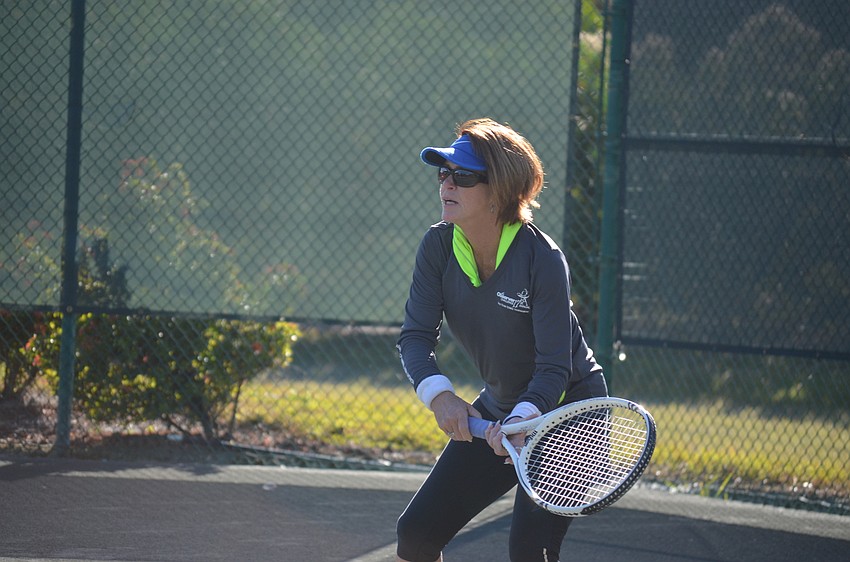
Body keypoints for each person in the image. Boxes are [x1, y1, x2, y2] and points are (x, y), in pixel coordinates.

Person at [395, 118, 608, 562]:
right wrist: (442, 398)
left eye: (464, 176)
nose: (447, 184)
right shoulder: (437, 246)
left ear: (500, 191)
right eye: (443, 173)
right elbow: (415, 337)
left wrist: (525, 420)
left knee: (529, 551)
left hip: (571, 414)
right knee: (416, 535)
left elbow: (554, 369)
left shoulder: (543, 258)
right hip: (501, 408)